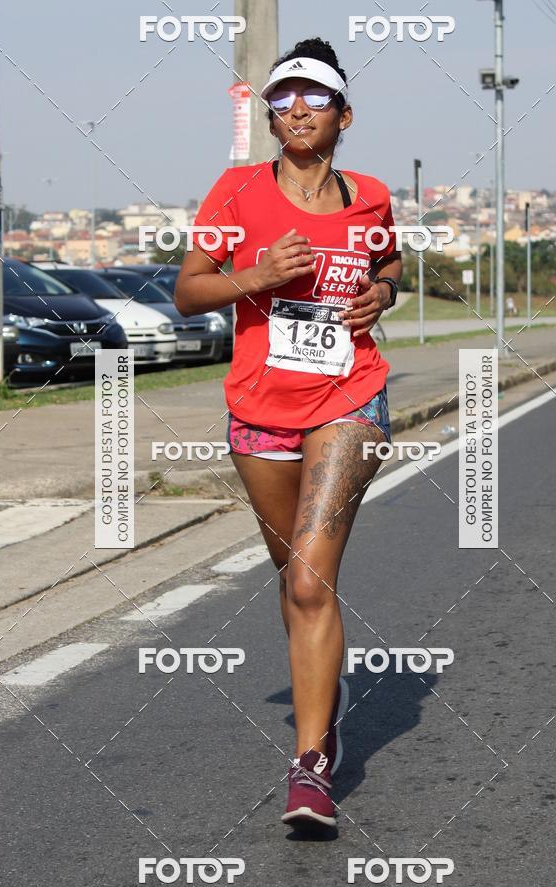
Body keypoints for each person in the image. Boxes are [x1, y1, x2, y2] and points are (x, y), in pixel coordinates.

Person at [175, 36, 402, 830]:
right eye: (282, 97)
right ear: (271, 116)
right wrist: (261, 276)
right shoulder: (236, 193)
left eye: (313, 96)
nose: (296, 107)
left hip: (351, 402)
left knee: (309, 582)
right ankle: (322, 698)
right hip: (260, 412)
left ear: (344, 113)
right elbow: (188, 293)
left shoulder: (371, 196)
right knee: (294, 578)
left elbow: (389, 265)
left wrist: (381, 294)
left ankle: (310, 767)